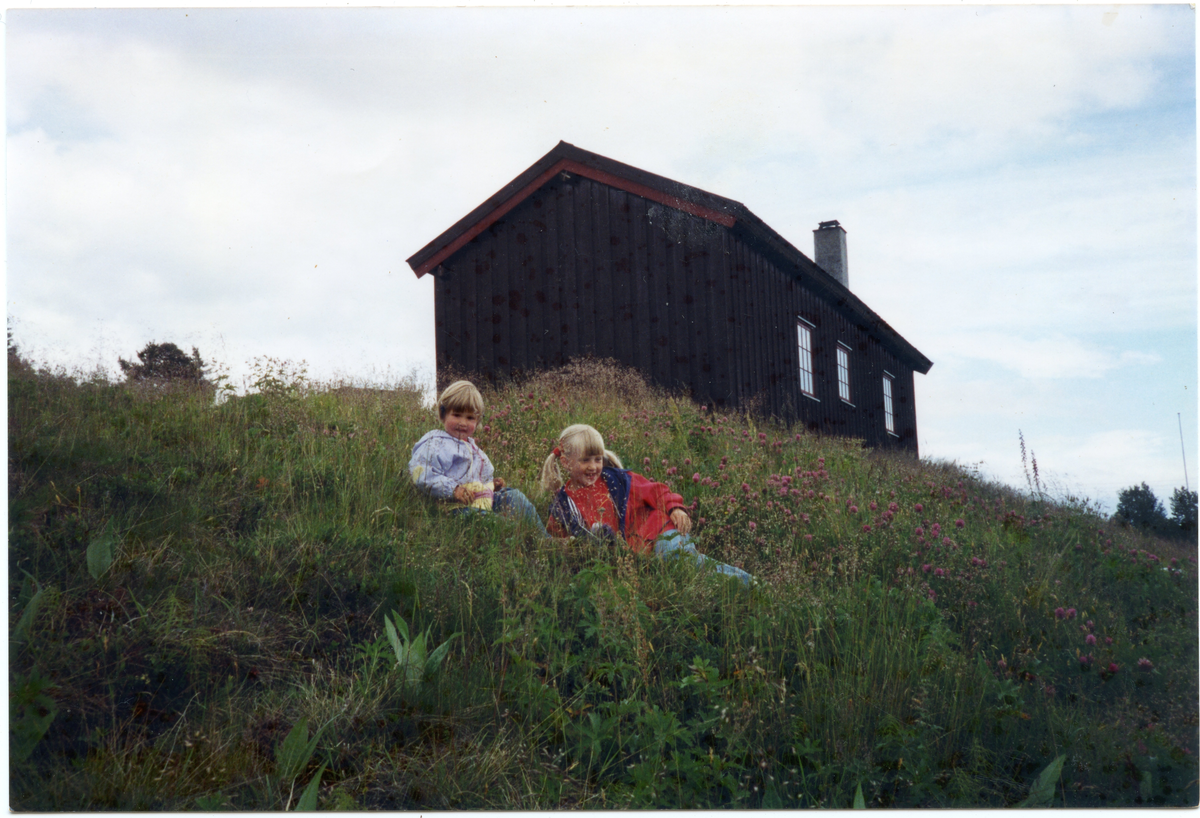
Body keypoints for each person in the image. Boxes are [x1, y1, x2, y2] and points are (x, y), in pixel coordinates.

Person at [540, 423, 752, 586]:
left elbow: (656, 490)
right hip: (637, 554)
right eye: (585, 460)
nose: (593, 467)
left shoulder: (618, 480)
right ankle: (742, 585)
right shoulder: (564, 504)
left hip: (660, 530)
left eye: (597, 459)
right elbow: (556, 537)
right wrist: (562, 545)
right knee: (686, 570)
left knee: (680, 560)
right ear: (566, 462)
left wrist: (675, 508)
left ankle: (750, 584)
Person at [409, 380, 545, 533]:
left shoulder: (475, 450)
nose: (462, 423)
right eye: (457, 415)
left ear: (477, 421)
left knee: (514, 496)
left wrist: (492, 485)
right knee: (494, 522)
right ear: (443, 414)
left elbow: (482, 478)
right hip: (452, 507)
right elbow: (422, 473)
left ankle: (544, 539)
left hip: (481, 502)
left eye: (470, 418)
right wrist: (453, 490)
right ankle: (519, 536)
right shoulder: (436, 443)